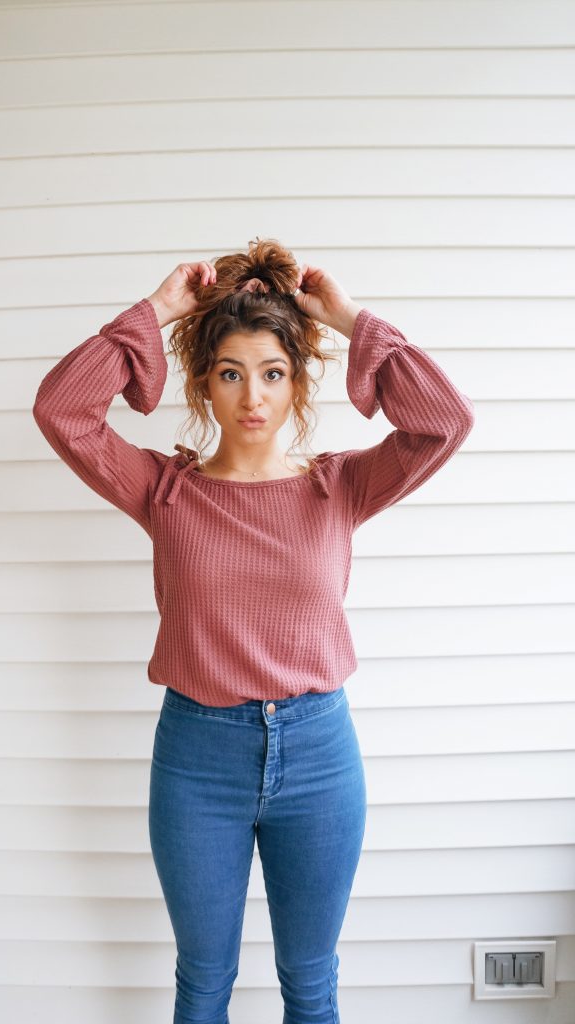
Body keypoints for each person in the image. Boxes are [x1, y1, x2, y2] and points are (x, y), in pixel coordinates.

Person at [33, 236, 475, 1023]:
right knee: (204, 982)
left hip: (319, 757)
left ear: (297, 383)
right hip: (198, 759)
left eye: (272, 373)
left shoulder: (339, 487)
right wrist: (156, 312)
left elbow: (444, 421)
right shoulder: (163, 490)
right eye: (231, 373)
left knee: (311, 982)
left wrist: (345, 317)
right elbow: (62, 411)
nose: (252, 397)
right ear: (204, 385)